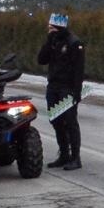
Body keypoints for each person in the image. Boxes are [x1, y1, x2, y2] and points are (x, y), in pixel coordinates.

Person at [36, 11, 85, 170]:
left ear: (59, 27)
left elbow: (79, 70)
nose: (49, 30)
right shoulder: (53, 41)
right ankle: (64, 154)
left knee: (70, 122)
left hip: (68, 87)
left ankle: (75, 157)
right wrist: (48, 41)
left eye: (52, 28)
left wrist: (77, 92)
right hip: (53, 86)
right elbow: (41, 60)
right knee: (55, 120)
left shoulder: (73, 42)